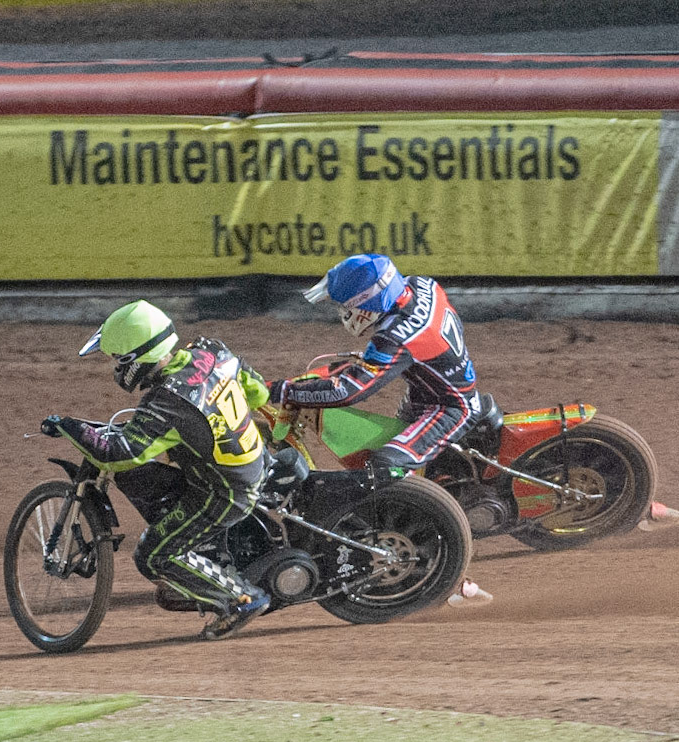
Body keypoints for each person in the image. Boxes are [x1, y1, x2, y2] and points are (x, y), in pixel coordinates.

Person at [41, 299, 272, 640]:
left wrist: (69, 427)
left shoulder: (167, 401)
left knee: (153, 555)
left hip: (225, 491)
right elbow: (259, 392)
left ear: (136, 359)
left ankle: (240, 599)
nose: (115, 367)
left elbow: (117, 454)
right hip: (258, 458)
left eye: (118, 359)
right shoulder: (211, 350)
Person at [268, 253, 483, 472]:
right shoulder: (421, 284)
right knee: (389, 446)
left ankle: (414, 492)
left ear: (366, 302)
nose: (342, 312)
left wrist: (281, 391)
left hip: (447, 408)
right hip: (427, 393)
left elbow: (347, 391)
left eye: (344, 306)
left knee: (383, 466)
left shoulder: (395, 337)